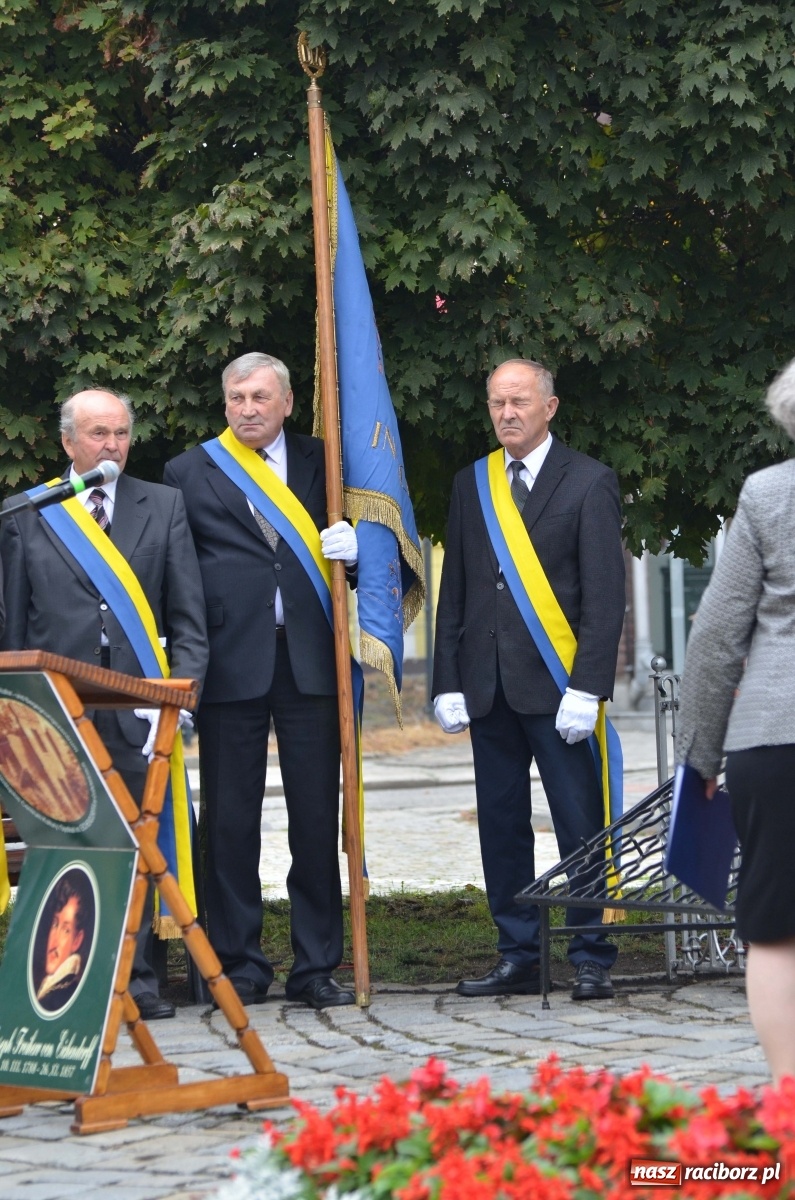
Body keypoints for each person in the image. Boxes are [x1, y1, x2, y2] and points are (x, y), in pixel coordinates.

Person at [0, 388, 209, 1020]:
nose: (111, 446)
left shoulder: (163, 505)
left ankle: (138, 981)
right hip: (56, 711)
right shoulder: (29, 512)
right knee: (68, 847)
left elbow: (188, 617)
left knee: (137, 845)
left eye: (120, 433)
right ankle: (70, 985)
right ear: (68, 442)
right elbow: (13, 626)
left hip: (139, 712)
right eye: (97, 434)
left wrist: (179, 700)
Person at [163, 352, 359, 1010]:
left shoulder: (324, 462)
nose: (247, 409)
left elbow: (365, 547)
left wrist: (357, 551)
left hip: (310, 660)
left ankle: (315, 966)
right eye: (237, 398)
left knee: (315, 819)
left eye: (259, 397)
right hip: (228, 662)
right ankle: (239, 965)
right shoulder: (188, 471)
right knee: (229, 823)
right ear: (225, 404)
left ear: (287, 402)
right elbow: (178, 576)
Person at [432, 359, 626, 1000]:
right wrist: (446, 678)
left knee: (580, 826)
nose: (507, 413)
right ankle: (518, 953)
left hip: (560, 690)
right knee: (502, 827)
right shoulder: (473, 483)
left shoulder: (589, 481)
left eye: (518, 401)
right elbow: (456, 588)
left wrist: (589, 687)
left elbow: (604, 598)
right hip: (488, 689)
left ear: (550, 407)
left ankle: (591, 954)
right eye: (497, 403)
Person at [675, 358, 795, 1085]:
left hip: (772, 739)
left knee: (775, 924)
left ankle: (787, 1101)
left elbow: (717, 636)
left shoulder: (766, 494)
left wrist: (700, 756)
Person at [35, 871, 94, 1010]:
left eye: (66, 930)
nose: (55, 941)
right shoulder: (44, 988)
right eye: (55, 924)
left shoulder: (65, 994)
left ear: (77, 940)